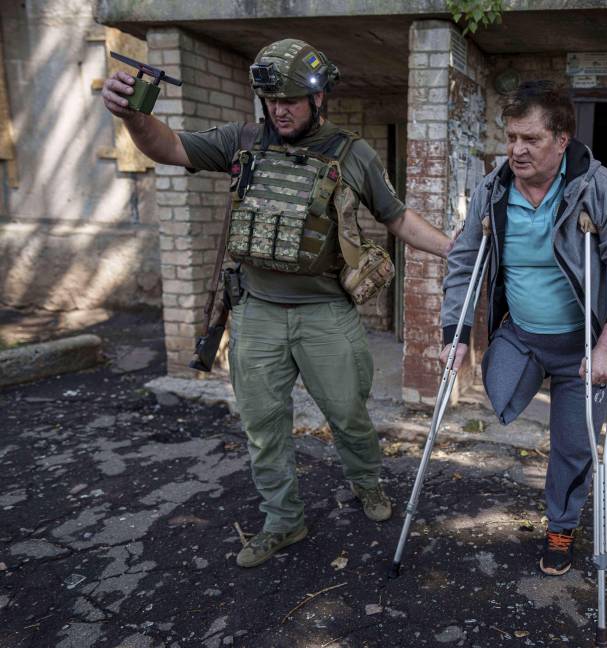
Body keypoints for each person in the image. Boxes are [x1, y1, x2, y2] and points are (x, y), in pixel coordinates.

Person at [102, 39, 452, 567]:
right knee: (263, 426)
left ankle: (367, 484)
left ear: (318, 98)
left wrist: (456, 248)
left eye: (290, 99)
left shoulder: (352, 153)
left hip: (326, 314)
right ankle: (283, 520)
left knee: (349, 416)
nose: (279, 109)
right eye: (271, 99)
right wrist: (132, 116)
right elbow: (166, 147)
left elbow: (397, 218)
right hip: (257, 313)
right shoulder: (240, 141)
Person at [440, 81, 607, 575]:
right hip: (524, 334)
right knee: (499, 389)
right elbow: (465, 258)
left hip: (584, 342)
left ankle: (561, 524)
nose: (516, 149)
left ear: (561, 139)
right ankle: (526, 380)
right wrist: (454, 335)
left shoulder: (598, 187)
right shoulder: (494, 189)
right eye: (511, 136)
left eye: (530, 139)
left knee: (575, 444)